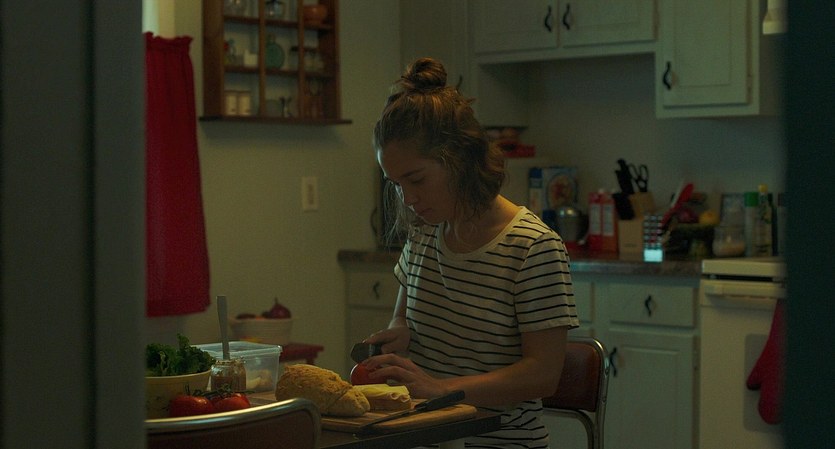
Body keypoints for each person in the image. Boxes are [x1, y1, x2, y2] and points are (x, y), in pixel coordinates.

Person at [361, 57, 580, 448]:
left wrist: (441, 388)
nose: (407, 199)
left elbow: (543, 375)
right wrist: (399, 334)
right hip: (426, 437)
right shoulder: (425, 235)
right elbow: (403, 316)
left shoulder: (532, 246)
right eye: (396, 184)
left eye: (416, 179)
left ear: (459, 159)